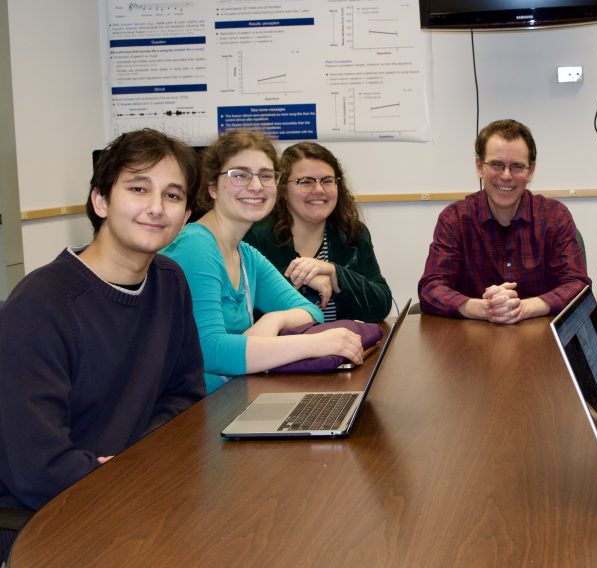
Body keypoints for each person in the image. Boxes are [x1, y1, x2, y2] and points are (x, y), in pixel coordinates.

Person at [0, 129, 206, 560]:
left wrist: (137, 463)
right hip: (48, 517)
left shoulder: (169, 282)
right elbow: (38, 465)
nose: (156, 207)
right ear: (100, 201)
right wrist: (118, 479)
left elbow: (184, 397)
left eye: (172, 195)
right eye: (138, 188)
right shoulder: (41, 304)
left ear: (186, 215)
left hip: (130, 492)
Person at [162, 130, 364, 394]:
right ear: (212, 186)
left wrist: (274, 319)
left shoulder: (246, 254)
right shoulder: (195, 245)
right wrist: (316, 344)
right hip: (195, 409)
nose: (256, 186)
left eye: (266, 176)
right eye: (240, 175)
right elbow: (209, 351)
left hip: (233, 396)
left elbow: (310, 311)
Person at [417, 119, 589, 323]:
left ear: (530, 171)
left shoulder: (555, 216)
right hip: (471, 338)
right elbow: (431, 288)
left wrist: (522, 308)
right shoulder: (454, 219)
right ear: (479, 166)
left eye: (517, 166)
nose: (506, 176)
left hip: (540, 336)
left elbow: (577, 285)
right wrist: (483, 309)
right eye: (496, 165)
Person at [244, 142, 392, 322]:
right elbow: (244, 312)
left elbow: (381, 305)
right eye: (305, 182)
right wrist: (300, 278)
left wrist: (335, 273)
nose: (319, 190)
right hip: (284, 341)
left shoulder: (353, 233)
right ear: (283, 189)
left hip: (344, 339)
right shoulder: (256, 237)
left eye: (327, 181)